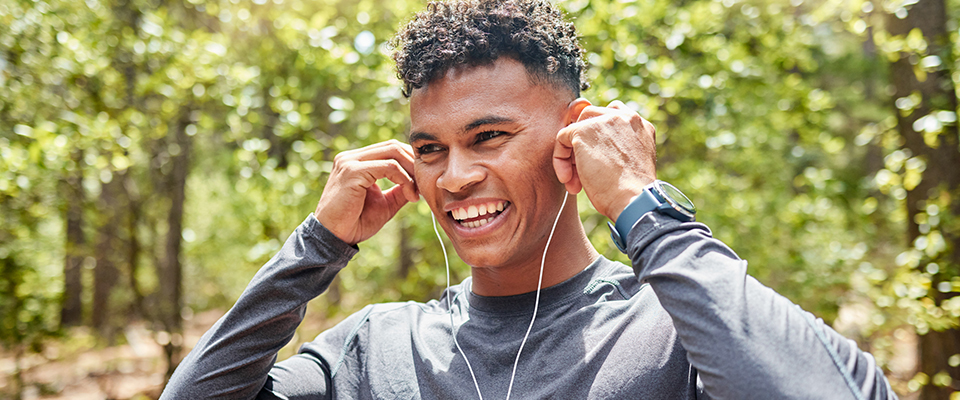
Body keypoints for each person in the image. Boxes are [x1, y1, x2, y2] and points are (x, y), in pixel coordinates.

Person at [160, 0, 897, 398]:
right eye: (430, 148)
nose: (453, 177)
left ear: (573, 134)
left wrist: (643, 206)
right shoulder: (373, 350)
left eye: (488, 136)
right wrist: (316, 246)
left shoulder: (678, 331)